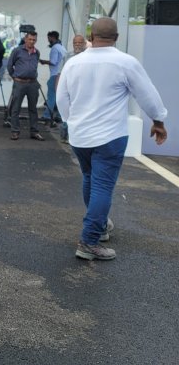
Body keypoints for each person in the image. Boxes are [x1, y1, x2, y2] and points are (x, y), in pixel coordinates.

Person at [57, 17, 168, 260]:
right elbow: (147, 94)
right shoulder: (125, 62)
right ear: (116, 38)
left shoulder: (74, 63)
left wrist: (70, 121)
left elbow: (62, 99)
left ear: (91, 36)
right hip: (110, 136)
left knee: (90, 179)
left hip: (80, 136)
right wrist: (158, 121)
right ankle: (88, 242)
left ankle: (99, 226)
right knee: (103, 186)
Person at [6, 30, 44, 141]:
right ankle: (15, 131)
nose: (32, 41)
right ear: (25, 39)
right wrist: (15, 77)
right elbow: (9, 66)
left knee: (33, 109)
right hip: (19, 83)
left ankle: (34, 132)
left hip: (32, 83)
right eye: (30, 39)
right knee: (15, 108)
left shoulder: (37, 52)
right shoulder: (17, 51)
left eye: (34, 40)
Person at [59, 35, 88, 143]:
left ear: (84, 44)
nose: (77, 45)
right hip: (69, 88)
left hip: (82, 90)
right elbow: (60, 72)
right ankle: (65, 135)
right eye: (75, 43)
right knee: (66, 111)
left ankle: (77, 136)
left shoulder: (88, 57)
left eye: (79, 43)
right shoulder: (67, 56)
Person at [39, 31, 67, 122]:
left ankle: (47, 115)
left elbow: (53, 62)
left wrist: (43, 61)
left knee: (51, 96)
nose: (48, 40)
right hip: (62, 75)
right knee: (60, 96)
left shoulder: (55, 48)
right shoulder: (62, 47)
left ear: (52, 38)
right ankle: (59, 116)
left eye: (48, 38)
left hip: (54, 75)